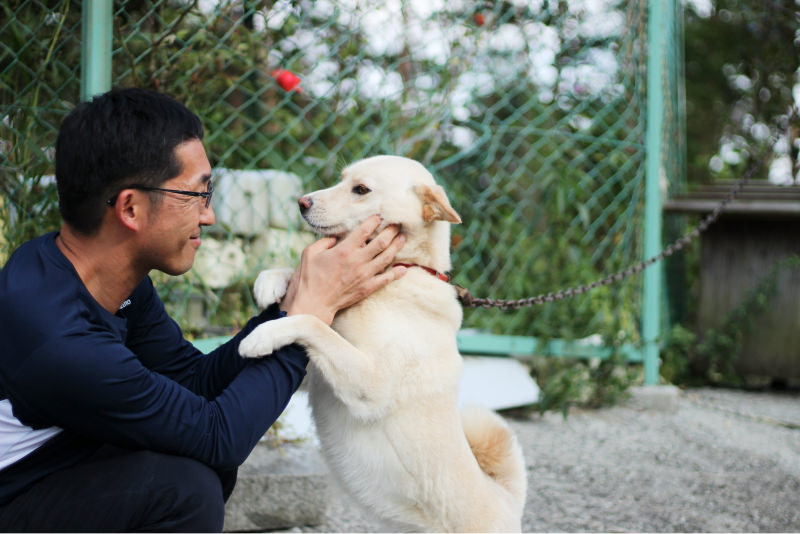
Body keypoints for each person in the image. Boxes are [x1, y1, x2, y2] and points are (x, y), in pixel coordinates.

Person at [0, 87, 407, 532]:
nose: (209, 216)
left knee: (195, 463)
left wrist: (292, 307)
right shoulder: (61, 340)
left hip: (50, 466)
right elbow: (219, 436)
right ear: (131, 208)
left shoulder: (99, 277)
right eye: (198, 194)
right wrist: (307, 319)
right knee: (183, 488)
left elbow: (197, 384)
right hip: (13, 495)